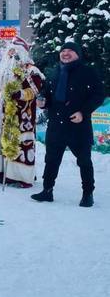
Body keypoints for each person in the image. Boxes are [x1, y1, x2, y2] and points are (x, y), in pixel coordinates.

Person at [31, 42, 104, 207]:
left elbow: (98, 95)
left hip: (78, 124)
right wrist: (43, 102)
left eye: (70, 50)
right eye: (63, 51)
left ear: (78, 54)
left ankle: (87, 194)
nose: (65, 53)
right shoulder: (55, 72)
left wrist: (83, 112)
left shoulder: (88, 72)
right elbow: (49, 94)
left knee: (84, 161)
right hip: (56, 124)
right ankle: (47, 191)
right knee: (51, 160)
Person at [0, 37, 44, 188]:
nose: (11, 53)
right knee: (0, 142)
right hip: (0, 117)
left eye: (15, 50)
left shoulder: (31, 71)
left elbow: (35, 90)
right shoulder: (3, 72)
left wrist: (20, 94)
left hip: (20, 116)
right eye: (9, 50)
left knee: (20, 144)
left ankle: (21, 176)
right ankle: (2, 172)